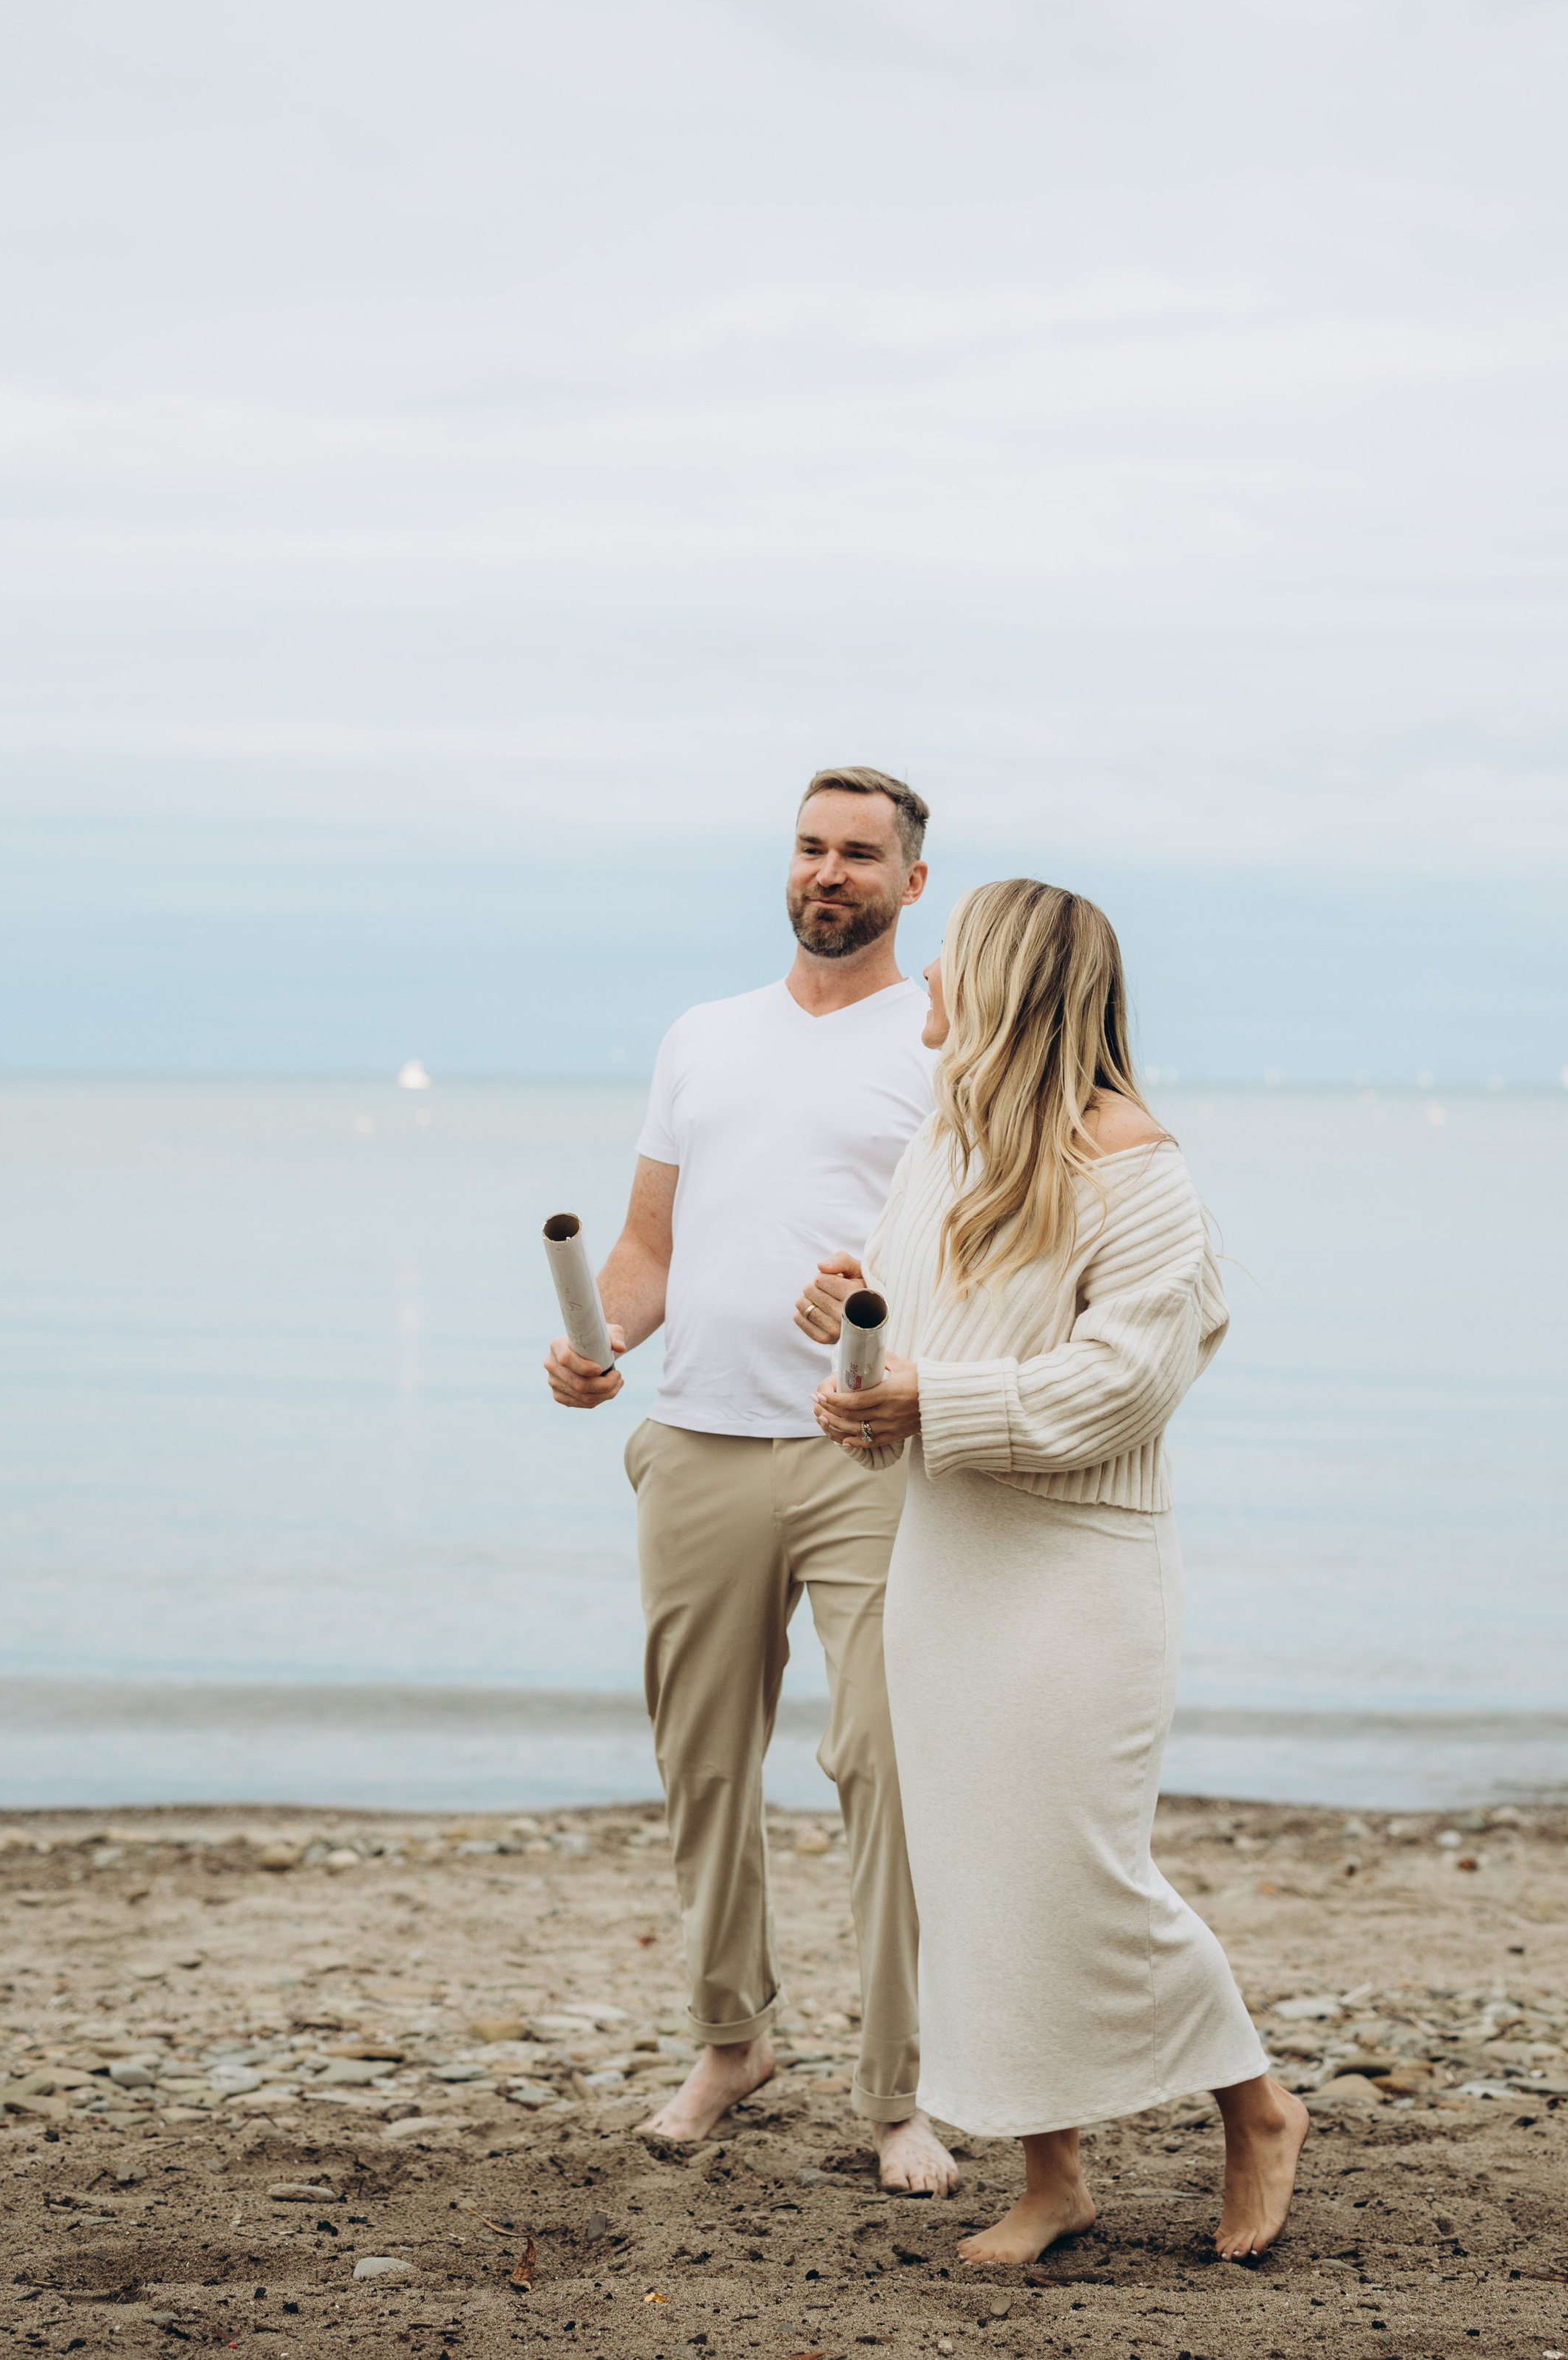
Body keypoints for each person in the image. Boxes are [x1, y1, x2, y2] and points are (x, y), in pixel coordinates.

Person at [805, 879, 1307, 2265]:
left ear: (1010, 981)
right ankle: (1055, 2178)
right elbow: (917, 1331)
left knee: (1082, 1873)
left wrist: (924, 1399)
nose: (927, 985)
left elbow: (1122, 1387)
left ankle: (1256, 2107)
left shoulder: (1133, 1160)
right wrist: (852, 1327)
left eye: (949, 960)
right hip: (946, 1556)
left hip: (1078, 1567)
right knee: (974, 1880)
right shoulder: (947, 1141)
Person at [543, 766, 959, 2196]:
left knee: (882, 1761)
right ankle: (731, 2040)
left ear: (912, 882)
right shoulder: (701, 1037)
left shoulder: (945, 1037)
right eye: (807, 847)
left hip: (863, 1448)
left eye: (857, 854)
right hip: (698, 1437)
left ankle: (899, 2090)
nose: (826, 873)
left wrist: (887, 1301)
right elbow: (647, 1246)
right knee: (702, 1755)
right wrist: (596, 1341)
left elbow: (987, 1257)